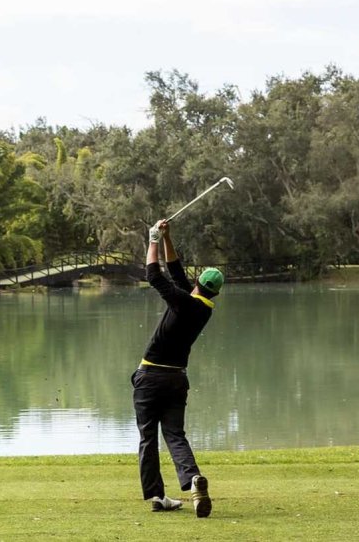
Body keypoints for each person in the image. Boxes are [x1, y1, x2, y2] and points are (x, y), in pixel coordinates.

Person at [132, 219, 223, 518]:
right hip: (176, 380)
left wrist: (153, 239)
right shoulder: (200, 305)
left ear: (198, 284)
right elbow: (175, 272)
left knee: (148, 437)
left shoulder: (185, 301)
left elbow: (154, 275)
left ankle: (157, 496)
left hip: (150, 377)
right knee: (175, 435)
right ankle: (192, 479)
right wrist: (169, 238)